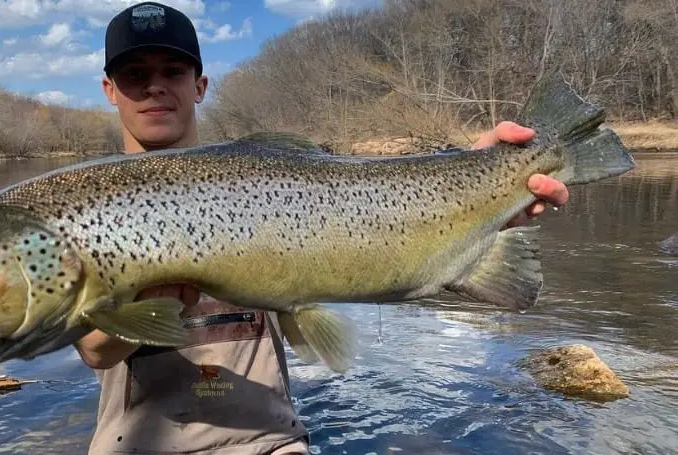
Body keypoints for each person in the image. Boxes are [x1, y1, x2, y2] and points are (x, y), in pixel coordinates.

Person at [73, 2, 570, 454]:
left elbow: (381, 225)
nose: (155, 85)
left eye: (173, 70)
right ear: (108, 90)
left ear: (200, 86)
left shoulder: (260, 180)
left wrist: (473, 180)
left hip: (268, 443)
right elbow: (95, 348)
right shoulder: (83, 205)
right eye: (134, 74)